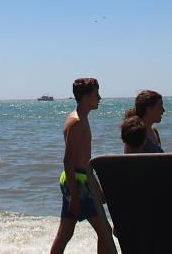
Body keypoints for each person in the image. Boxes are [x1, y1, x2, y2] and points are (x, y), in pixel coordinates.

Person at [50, 78, 111, 254]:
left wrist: (97, 187)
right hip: (77, 183)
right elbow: (68, 160)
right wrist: (75, 197)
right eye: (96, 94)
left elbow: (85, 160)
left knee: (65, 233)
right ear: (85, 97)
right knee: (105, 231)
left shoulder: (82, 118)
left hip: (82, 181)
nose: (99, 98)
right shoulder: (76, 121)